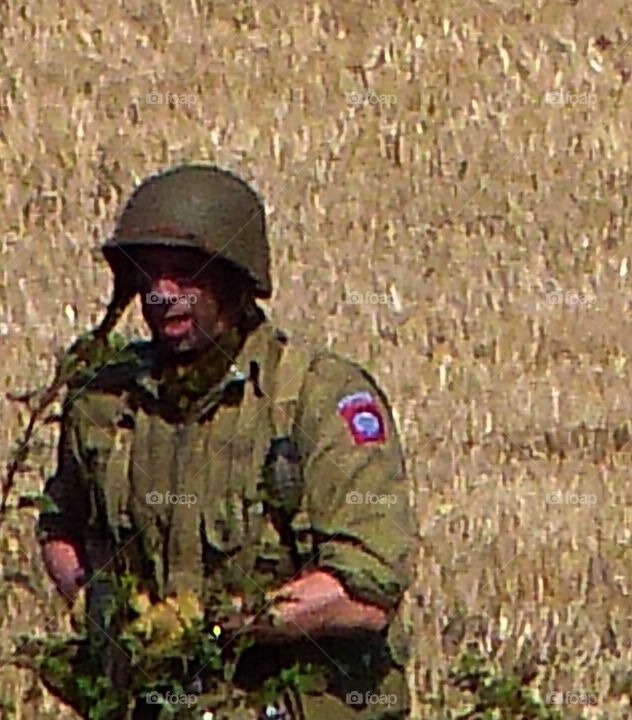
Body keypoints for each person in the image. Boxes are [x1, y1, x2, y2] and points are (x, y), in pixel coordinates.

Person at [35, 164, 417, 719]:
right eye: (151, 274)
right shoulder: (106, 401)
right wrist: (108, 618)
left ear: (237, 283)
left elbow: (366, 590)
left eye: (187, 275)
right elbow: (60, 523)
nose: (163, 294)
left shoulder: (316, 399)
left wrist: (217, 629)